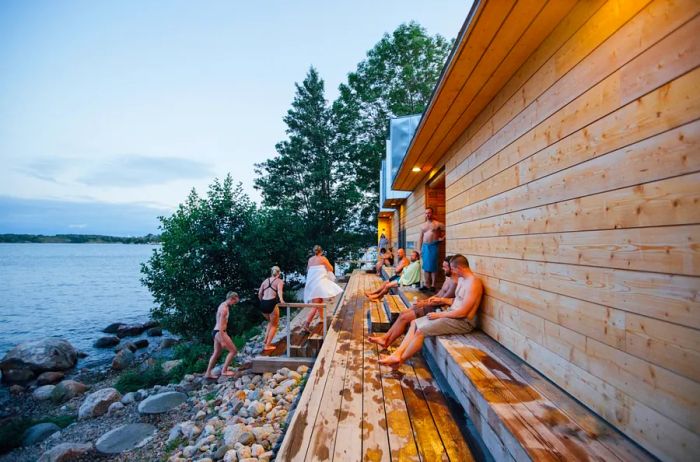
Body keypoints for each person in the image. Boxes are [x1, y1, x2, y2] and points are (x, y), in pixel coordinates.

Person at [379, 254, 482, 368]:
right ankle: (397, 354)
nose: (451, 272)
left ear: (460, 268)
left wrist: (439, 315)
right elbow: (457, 300)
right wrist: (442, 300)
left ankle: (400, 360)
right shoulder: (463, 280)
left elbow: (464, 312)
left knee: (421, 331)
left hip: (463, 321)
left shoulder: (474, 283)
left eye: (452, 269)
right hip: (452, 314)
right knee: (414, 323)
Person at [368, 256, 456, 348]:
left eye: (445, 267)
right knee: (402, 314)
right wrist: (425, 300)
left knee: (405, 318)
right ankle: (385, 337)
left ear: (452, 268)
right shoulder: (449, 279)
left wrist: (424, 303)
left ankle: (387, 342)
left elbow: (442, 301)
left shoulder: (454, 283)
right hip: (432, 304)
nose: (443, 269)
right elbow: (438, 295)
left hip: (439, 310)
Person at [302, 245, 343, 332]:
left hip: (312, 283)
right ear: (321, 251)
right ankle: (306, 323)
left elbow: (308, 270)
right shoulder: (323, 259)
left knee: (320, 301)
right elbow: (331, 268)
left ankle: (322, 318)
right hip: (319, 284)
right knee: (316, 305)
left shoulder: (310, 259)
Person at [204, 291, 240, 379]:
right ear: (231, 299)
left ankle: (208, 373)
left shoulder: (223, 305)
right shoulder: (224, 309)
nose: (234, 304)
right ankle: (224, 370)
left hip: (215, 332)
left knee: (216, 353)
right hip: (220, 332)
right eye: (234, 302)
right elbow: (220, 325)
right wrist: (223, 340)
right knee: (233, 351)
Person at [417, 207, 445, 292]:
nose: (427, 215)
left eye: (429, 213)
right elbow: (420, 238)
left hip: (433, 246)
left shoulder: (437, 224)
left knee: (433, 266)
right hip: (425, 247)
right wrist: (419, 250)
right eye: (426, 213)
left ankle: (433, 285)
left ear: (432, 214)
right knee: (426, 266)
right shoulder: (423, 225)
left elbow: (446, 230)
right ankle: (426, 284)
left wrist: (441, 238)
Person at [258, 266, 285, 352]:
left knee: (270, 322)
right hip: (271, 303)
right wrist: (281, 300)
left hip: (263, 304)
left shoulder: (265, 281)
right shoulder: (279, 281)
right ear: (279, 273)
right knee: (274, 325)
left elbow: (259, 293)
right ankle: (267, 345)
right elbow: (279, 291)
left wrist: (262, 301)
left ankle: (266, 339)